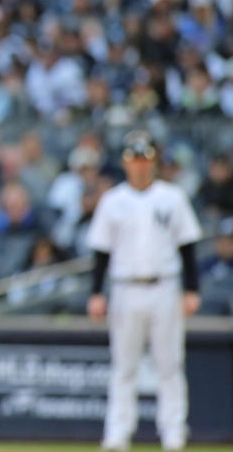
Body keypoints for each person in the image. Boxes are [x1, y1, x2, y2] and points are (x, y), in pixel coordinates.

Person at [86, 131, 202, 451]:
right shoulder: (113, 200)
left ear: (153, 162)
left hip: (164, 285)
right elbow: (101, 252)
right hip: (125, 287)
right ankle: (117, 434)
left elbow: (188, 245)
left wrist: (192, 289)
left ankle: (173, 433)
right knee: (124, 366)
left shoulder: (171, 197)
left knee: (169, 364)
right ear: (125, 163)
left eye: (144, 159)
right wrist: (96, 292)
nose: (139, 166)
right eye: (133, 160)